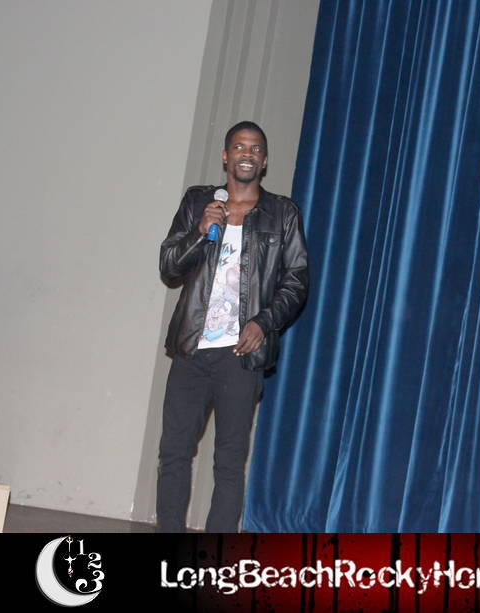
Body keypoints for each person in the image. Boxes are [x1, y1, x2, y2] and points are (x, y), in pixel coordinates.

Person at [157, 121, 308, 532]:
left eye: (255, 148)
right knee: (173, 453)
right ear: (226, 156)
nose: (247, 154)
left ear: (264, 160)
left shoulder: (283, 213)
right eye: (239, 147)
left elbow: (296, 280)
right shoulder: (198, 202)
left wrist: (264, 322)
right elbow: (169, 265)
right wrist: (200, 231)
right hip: (191, 347)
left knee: (229, 460)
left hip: (240, 356)